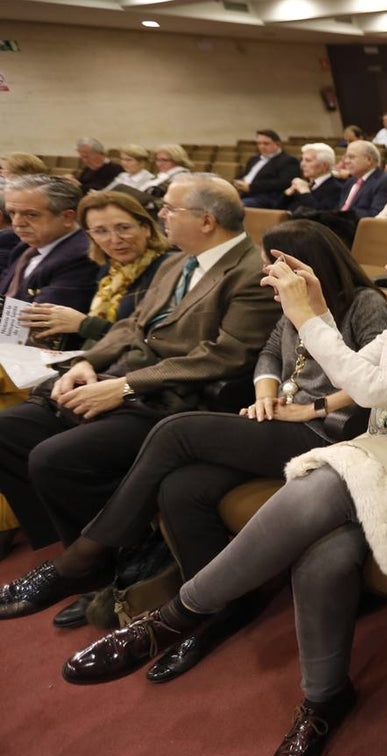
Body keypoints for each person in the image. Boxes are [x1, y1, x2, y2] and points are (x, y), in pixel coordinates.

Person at [61, 214, 387, 756]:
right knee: (321, 557)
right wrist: (317, 310)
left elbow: (375, 388)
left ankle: (180, 614)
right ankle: (325, 698)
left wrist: (308, 316)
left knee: (323, 480)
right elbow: (357, 368)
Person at [5, 219, 387, 637]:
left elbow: (378, 378)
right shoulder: (290, 304)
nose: (265, 278)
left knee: (176, 431)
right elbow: (268, 355)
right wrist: (265, 391)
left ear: (300, 267)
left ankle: (86, 555)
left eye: (270, 269)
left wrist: (313, 407)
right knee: (183, 486)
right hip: (283, 416)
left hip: (327, 430)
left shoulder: (364, 302)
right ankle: (219, 606)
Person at [0, 173, 280, 559]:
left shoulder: (252, 272)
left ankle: (108, 558)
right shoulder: (176, 262)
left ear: (206, 221)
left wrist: (125, 385)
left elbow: (225, 355)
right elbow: (132, 325)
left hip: (173, 402)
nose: (162, 215)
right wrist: (86, 361)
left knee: (54, 458)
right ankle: (65, 544)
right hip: (124, 379)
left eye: (170, 208)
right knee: (8, 431)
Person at [18, 190, 171, 351]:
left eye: (124, 228)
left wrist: (84, 324)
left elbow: (154, 341)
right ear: (91, 237)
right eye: (101, 231)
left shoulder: (168, 270)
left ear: (146, 229)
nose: (115, 239)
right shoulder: (107, 270)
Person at [0, 175, 99, 312]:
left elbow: (37, 321)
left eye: (31, 215)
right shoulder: (24, 247)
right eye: (12, 213)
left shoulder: (82, 257)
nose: (17, 223)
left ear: (67, 217)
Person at [233, 130, 301, 209]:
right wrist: (237, 182)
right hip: (245, 193)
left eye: (266, 143)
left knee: (235, 207)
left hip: (267, 197)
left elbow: (283, 183)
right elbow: (244, 175)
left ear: (278, 144)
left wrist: (251, 187)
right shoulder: (254, 159)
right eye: (259, 143)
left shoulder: (288, 160)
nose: (262, 146)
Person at [337, 141, 387, 220]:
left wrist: (342, 216)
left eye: (351, 157)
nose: (346, 161)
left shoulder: (386, 181)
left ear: (369, 160)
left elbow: (376, 214)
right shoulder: (350, 181)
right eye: (346, 157)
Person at [283, 142, 341, 212]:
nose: (302, 164)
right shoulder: (306, 184)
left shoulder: (336, 188)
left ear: (324, 165)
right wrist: (288, 193)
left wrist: (305, 192)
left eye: (308, 160)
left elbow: (319, 214)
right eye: (302, 160)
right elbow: (277, 210)